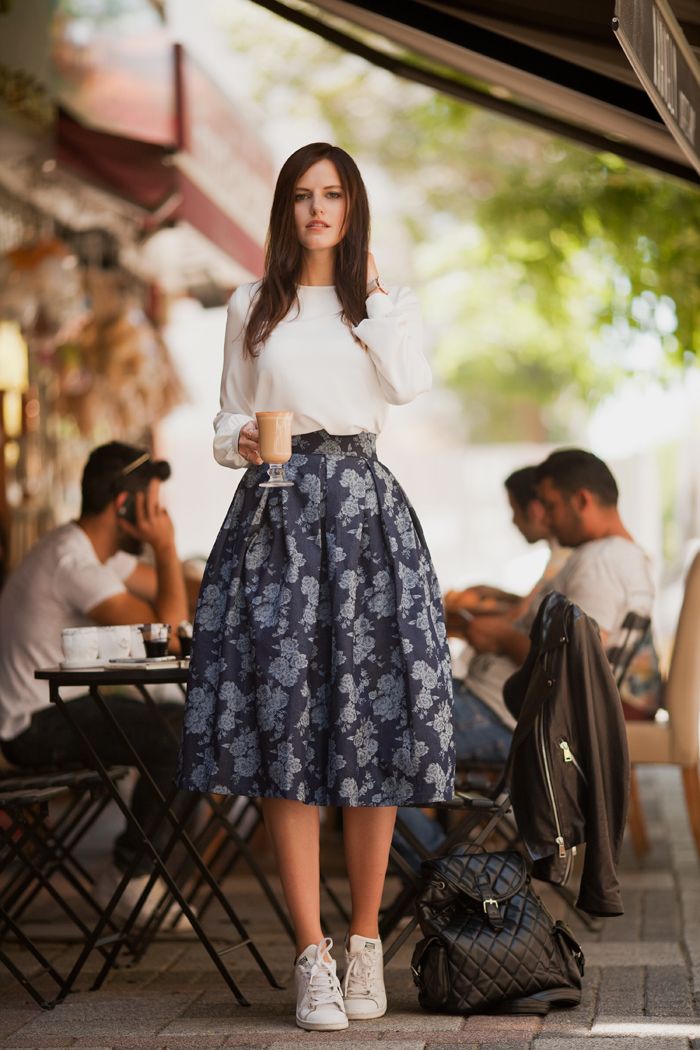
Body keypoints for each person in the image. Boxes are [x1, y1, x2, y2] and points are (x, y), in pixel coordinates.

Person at [177, 142, 455, 1031]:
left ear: (352, 204)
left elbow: (408, 386)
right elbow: (225, 419)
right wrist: (246, 444)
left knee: (371, 730)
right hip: (276, 521)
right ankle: (311, 955)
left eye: (332, 194)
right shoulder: (250, 304)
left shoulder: (385, 306)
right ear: (284, 210)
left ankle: (367, 939)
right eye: (302, 195)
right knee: (286, 729)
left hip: (368, 518)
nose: (317, 209)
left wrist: (371, 303)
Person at [397, 448, 658, 857]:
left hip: (502, 717)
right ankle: (452, 872)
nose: (546, 519)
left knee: (362, 748)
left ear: (583, 500)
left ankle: (454, 875)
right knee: (363, 740)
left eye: (551, 506)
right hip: (497, 708)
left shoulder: (600, 564)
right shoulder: (619, 557)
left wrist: (501, 638)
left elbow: (578, 666)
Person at [0, 441, 189, 916]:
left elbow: (178, 591)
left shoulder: (95, 553)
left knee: (187, 724)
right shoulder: (74, 562)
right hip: (32, 725)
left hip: (61, 709)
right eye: (153, 503)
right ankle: (131, 875)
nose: (161, 513)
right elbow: (164, 636)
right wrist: (166, 546)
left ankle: (141, 874)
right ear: (125, 505)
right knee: (184, 737)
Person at [445, 465, 569, 626]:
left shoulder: (564, 556)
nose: (514, 521)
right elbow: (535, 606)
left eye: (514, 510)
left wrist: (463, 614)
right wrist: (500, 596)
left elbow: (523, 615)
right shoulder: (558, 552)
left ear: (534, 510)